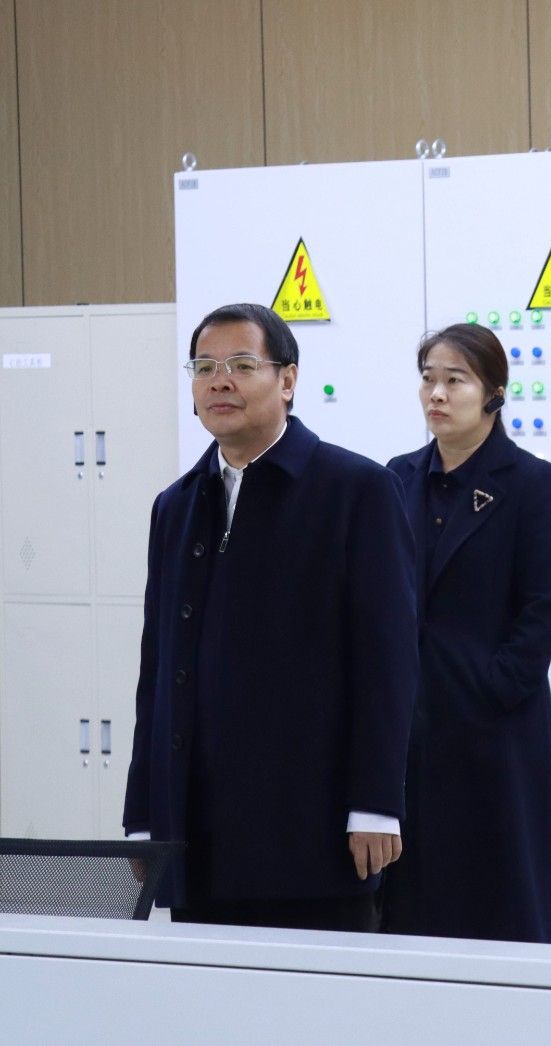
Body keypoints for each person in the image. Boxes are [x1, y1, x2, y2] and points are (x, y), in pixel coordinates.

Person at [123, 303, 416, 931]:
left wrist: (375, 803)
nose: (219, 382)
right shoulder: (175, 506)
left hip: (312, 825)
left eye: (241, 364)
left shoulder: (356, 490)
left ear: (288, 379)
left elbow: (387, 662)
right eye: (204, 368)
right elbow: (158, 671)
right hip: (198, 830)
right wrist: (145, 813)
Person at [383, 324, 551, 943]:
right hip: (410, 729)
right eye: (428, 379)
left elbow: (545, 610)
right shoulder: (397, 478)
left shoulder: (531, 482)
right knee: (412, 907)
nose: (436, 394)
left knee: (500, 898)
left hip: (497, 730)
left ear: (494, 393)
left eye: (454, 380)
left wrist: (491, 689)